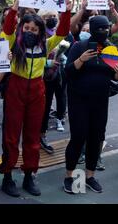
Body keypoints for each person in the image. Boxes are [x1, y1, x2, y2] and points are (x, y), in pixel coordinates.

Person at [0, 0, 71, 198]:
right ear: (22, 28)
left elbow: (63, 32)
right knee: (11, 135)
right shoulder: (13, 42)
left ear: (40, 31)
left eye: (34, 29)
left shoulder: (46, 44)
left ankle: (29, 174)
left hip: (37, 90)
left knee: (32, 135)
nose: (30, 31)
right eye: (27, 28)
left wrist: (66, 9)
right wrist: (14, 7)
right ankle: (7, 175)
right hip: (16, 88)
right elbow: (7, 28)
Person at [63, 15, 118, 194]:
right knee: (78, 137)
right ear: (92, 29)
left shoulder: (111, 49)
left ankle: (89, 176)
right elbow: (68, 73)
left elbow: (116, 78)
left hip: (100, 101)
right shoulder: (78, 47)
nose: (103, 32)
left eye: (106, 28)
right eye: (100, 28)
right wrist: (81, 59)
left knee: (96, 138)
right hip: (79, 101)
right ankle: (69, 176)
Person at [38, 9, 69, 154]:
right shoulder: (37, 35)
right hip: (41, 76)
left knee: (56, 99)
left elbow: (63, 32)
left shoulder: (56, 34)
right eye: (47, 17)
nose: (51, 19)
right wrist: (47, 62)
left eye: (54, 17)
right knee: (43, 108)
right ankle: (40, 135)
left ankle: (44, 133)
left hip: (57, 74)